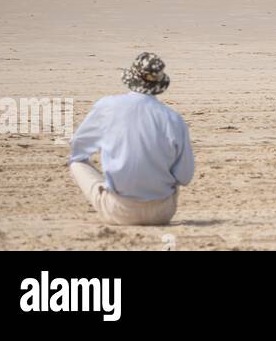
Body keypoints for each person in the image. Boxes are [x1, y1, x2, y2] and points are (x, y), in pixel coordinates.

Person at [67, 52, 194, 225]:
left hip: (119, 211)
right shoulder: (173, 118)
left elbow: (79, 148)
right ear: (158, 83)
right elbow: (184, 176)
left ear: (131, 78)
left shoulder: (108, 106)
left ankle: (112, 191)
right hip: (162, 213)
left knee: (77, 162)